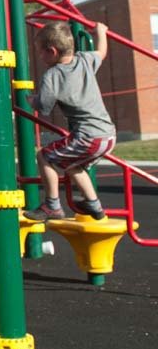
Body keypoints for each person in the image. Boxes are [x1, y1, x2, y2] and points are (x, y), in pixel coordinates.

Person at [24, 19, 112, 221]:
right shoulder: (84, 60)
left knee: (45, 156)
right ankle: (94, 204)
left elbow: (44, 108)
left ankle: (52, 206)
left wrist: (31, 100)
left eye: (40, 51)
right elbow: (102, 52)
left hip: (88, 137)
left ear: (52, 51)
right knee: (72, 165)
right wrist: (101, 32)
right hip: (107, 134)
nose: (39, 56)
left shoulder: (52, 75)